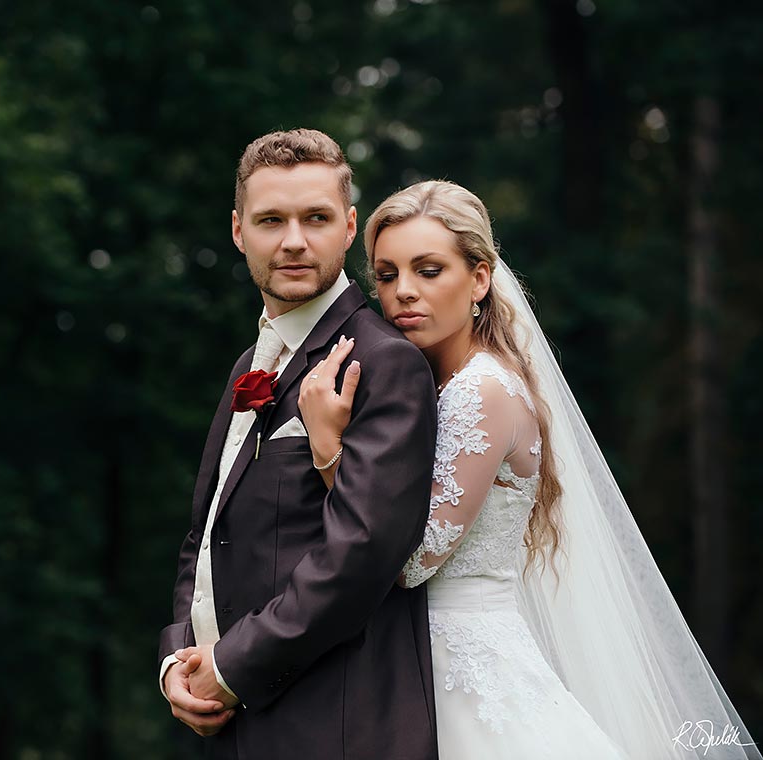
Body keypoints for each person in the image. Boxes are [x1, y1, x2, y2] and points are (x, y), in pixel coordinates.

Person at [299, 179, 761, 759]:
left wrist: (328, 450)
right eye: (387, 275)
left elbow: (410, 564)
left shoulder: (481, 391)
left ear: (480, 279)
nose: (403, 294)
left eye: (429, 270)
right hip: (416, 664)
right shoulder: (435, 387)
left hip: (465, 670)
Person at [157, 129, 440, 759]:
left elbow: (362, 555)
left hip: (329, 725)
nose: (292, 240)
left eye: (315, 218)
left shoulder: (384, 362)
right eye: (270, 220)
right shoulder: (246, 368)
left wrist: (231, 668)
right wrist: (178, 656)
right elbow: (203, 534)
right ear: (238, 230)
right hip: (233, 727)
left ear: (348, 226)